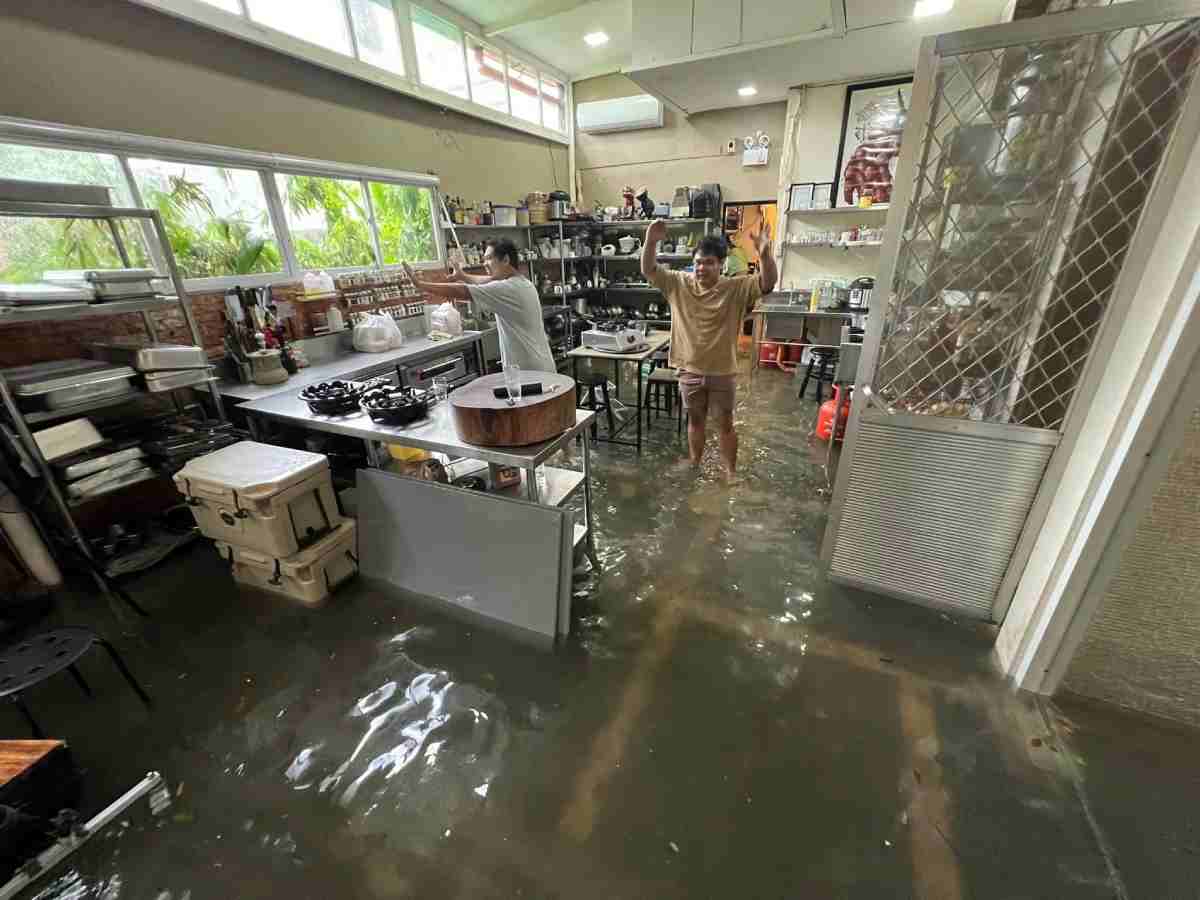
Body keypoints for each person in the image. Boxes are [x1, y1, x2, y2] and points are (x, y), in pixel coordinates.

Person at [641, 218, 776, 477]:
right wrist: (651, 240)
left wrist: (765, 253)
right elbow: (649, 269)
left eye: (709, 263)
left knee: (725, 424)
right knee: (695, 420)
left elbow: (767, 282)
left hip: (722, 370)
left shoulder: (736, 287)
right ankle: (694, 462)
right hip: (689, 369)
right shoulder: (679, 283)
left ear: (721, 265)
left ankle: (730, 471)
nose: (702, 268)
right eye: (698, 262)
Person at [404, 238, 556, 374]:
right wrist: (463, 276)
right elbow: (487, 281)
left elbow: (462, 291)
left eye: (489, 258)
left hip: (530, 373)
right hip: (538, 367)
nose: (484, 264)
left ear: (505, 260)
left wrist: (422, 285)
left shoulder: (507, 289)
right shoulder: (521, 283)